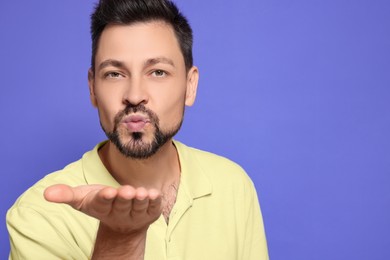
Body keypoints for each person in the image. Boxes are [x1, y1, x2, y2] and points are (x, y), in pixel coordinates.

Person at [7, 0, 269, 259]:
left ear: (190, 86)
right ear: (92, 88)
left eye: (157, 72)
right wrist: (120, 238)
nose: (134, 95)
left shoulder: (233, 185)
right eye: (114, 74)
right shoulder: (38, 214)